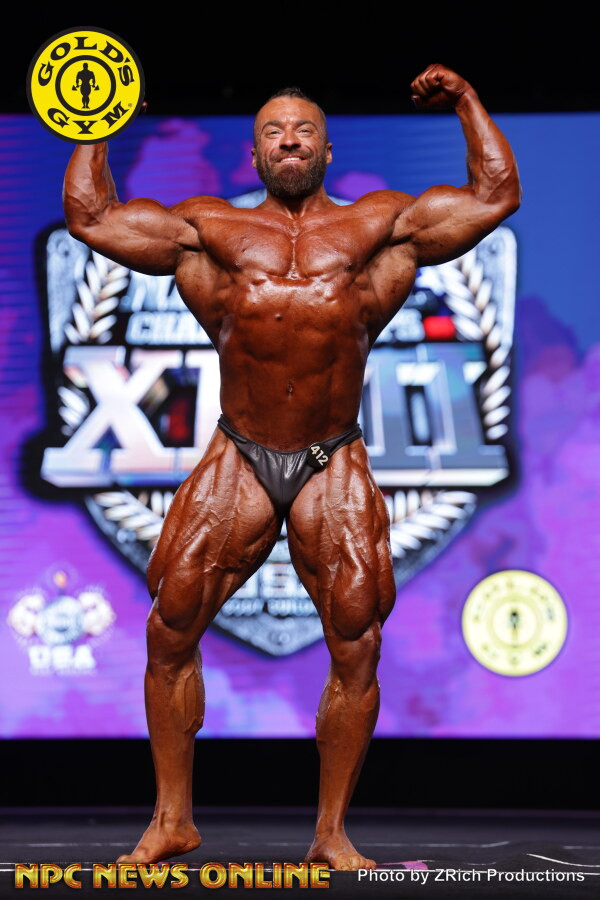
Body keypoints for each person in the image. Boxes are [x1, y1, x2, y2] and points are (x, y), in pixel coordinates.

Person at [62, 64, 520, 870]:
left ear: (327, 149)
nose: (290, 141)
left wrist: (466, 102)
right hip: (239, 452)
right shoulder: (209, 229)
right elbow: (92, 218)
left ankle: (331, 833)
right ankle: (171, 821)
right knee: (170, 628)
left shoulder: (380, 227)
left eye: (304, 130)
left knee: (357, 642)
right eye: (274, 131)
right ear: (254, 153)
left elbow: (495, 195)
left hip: (329, 456)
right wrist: (94, 122)